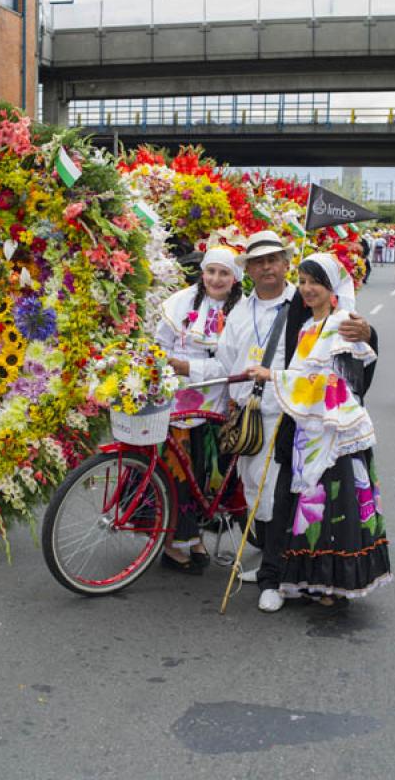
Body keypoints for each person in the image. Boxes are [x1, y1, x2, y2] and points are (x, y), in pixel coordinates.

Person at [179, 231, 376, 599]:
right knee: (256, 493)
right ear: (249, 269)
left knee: (281, 497)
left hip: (292, 419)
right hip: (251, 420)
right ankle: (275, 563)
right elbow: (223, 365)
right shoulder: (238, 310)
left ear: (286, 263)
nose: (266, 267)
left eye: (273, 260)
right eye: (257, 261)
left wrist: (366, 330)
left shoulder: (302, 301)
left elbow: (343, 333)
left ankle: (276, 576)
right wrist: (181, 368)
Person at [247, 253, 392, 612]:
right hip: (303, 430)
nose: (307, 289)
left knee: (334, 511)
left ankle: (336, 583)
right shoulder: (306, 325)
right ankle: (307, 578)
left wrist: (275, 379)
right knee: (306, 510)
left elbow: (338, 384)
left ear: (333, 288)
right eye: (304, 281)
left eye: (316, 282)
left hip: (335, 434)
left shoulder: (343, 323)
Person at [155, 244, 244, 573]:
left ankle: (192, 539)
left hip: (215, 402)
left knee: (204, 476)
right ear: (202, 272)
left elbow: (232, 364)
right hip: (176, 398)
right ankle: (172, 543)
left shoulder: (241, 312)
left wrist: (187, 367)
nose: (216, 279)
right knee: (177, 471)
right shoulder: (179, 302)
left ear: (234, 278)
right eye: (211, 271)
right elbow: (160, 343)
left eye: (224, 273)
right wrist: (168, 365)